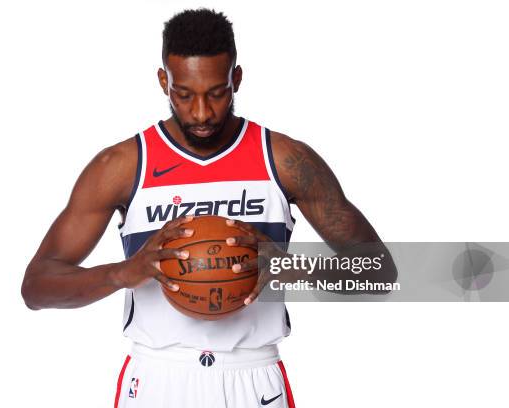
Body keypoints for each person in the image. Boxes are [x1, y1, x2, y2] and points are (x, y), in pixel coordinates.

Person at [21, 8, 395, 408]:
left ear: (236, 78)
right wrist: (122, 273)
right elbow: (36, 287)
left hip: (252, 377)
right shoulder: (121, 166)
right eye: (184, 94)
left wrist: (287, 266)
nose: (201, 113)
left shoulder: (285, 160)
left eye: (217, 93)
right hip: (157, 377)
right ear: (164, 81)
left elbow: (381, 272)